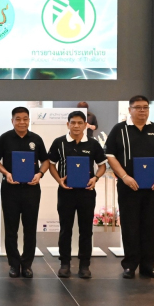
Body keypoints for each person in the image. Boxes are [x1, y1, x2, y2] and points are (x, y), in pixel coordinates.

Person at [105, 95, 154, 279]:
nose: (142, 110)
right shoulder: (119, 129)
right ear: (130, 110)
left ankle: (148, 266)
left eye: (145, 107)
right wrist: (124, 176)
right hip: (129, 187)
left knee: (151, 226)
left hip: (153, 187)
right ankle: (130, 265)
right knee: (130, 225)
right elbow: (110, 155)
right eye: (138, 107)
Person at [47, 111, 108, 279]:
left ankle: (84, 265)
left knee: (86, 230)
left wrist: (95, 178)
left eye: (80, 123)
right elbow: (51, 164)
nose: (76, 126)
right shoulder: (59, 143)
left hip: (87, 193)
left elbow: (102, 165)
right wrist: (59, 180)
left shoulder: (93, 144)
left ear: (85, 125)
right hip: (66, 192)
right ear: (67, 124)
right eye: (73, 122)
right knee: (65, 229)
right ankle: (64, 264)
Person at [0, 107, 50, 278]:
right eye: (18, 119)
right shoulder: (4, 138)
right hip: (10, 189)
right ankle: (13, 264)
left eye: (25, 119)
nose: (22, 122)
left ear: (29, 120)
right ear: (12, 121)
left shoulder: (36, 139)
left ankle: (27, 265)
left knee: (30, 228)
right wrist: (6, 173)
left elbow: (46, 160)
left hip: (31, 190)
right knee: (11, 229)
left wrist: (40, 174)